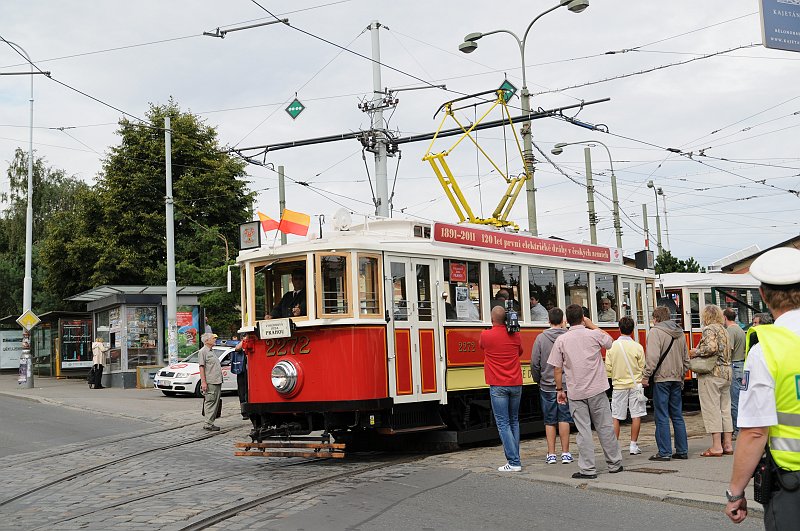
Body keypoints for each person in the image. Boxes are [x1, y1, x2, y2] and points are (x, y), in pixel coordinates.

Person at [726, 247, 800, 528]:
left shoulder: (765, 349)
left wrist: (735, 492)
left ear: (764, 295)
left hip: (792, 484)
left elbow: (756, 431)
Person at [549, 304, 623, 479]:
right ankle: (614, 463)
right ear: (583, 317)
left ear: (566, 320)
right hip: (597, 388)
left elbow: (557, 369)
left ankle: (588, 469)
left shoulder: (561, 340)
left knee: (583, 431)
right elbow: (611, 342)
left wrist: (560, 389)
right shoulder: (594, 334)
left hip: (576, 391)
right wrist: (592, 325)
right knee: (605, 427)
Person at [641, 306, 690, 461]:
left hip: (661, 378)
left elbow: (652, 358)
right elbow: (686, 360)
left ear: (656, 318)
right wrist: (681, 373)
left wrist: (645, 375)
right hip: (676, 378)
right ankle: (682, 450)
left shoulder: (655, 332)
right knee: (677, 415)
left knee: (661, 416)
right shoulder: (680, 332)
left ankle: (664, 452)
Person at [479, 306, 524, 472]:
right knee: (514, 421)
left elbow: (481, 346)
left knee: (503, 423)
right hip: (516, 383)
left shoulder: (486, 335)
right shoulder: (515, 335)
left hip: (498, 384)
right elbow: (520, 352)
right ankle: (515, 458)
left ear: (492, 319)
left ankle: (513, 462)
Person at [531, 307, 573, 465]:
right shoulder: (568, 336)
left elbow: (535, 363)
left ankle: (551, 454)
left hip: (547, 385)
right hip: (566, 384)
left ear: (548, 320)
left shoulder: (541, 338)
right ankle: (566, 453)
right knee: (564, 418)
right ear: (563, 320)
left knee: (549, 420)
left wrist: (538, 379)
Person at [690, 304, 733, 457]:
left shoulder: (709, 329)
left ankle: (716, 446)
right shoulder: (724, 330)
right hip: (726, 373)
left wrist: (696, 352)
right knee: (725, 409)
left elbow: (711, 348)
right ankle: (727, 444)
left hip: (712, 373)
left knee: (712, 409)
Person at [605, 316, 646, 455]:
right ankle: (633, 445)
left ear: (619, 328)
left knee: (616, 416)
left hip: (619, 385)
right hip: (635, 386)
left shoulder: (612, 346)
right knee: (636, 415)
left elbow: (608, 369)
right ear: (632, 330)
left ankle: (615, 447)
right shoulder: (638, 347)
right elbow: (642, 367)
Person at [724, 308, 746, 439]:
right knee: (740, 399)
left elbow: (729, 349)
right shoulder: (740, 329)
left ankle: (737, 429)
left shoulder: (730, 330)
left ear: (725, 318)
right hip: (741, 365)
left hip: (734, 365)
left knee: (734, 401)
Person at [198, 332, 223, 431]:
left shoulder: (211, 351)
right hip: (210, 381)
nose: (215, 340)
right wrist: (203, 382)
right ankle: (208, 423)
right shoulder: (203, 351)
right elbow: (201, 367)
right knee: (210, 402)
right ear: (207, 340)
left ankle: (210, 422)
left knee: (215, 402)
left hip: (217, 381)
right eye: (213, 338)